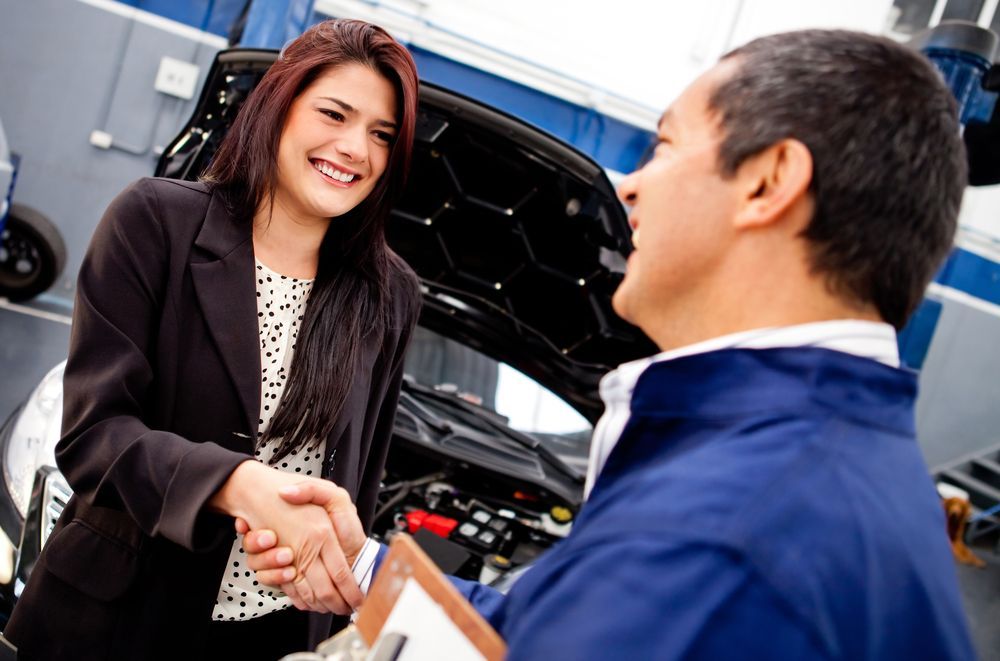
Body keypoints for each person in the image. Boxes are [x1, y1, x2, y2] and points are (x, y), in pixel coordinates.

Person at [244, 28, 977, 659]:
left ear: (768, 182)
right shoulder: (833, 468)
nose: (629, 187)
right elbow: (543, 634)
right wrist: (366, 563)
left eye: (663, 146)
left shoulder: (724, 529)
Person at [6, 18, 421, 661]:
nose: (354, 149)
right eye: (334, 114)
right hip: (117, 619)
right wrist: (238, 483)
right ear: (279, 106)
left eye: (381, 136)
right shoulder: (154, 221)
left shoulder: (388, 292)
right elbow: (94, 436)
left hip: (275, 635)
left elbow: (359, 476)